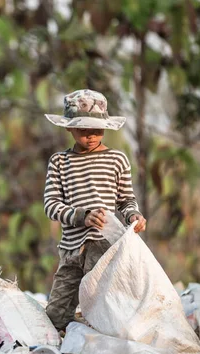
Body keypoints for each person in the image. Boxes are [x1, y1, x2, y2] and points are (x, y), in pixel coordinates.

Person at [43, 89, 147, 331]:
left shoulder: (117, 160)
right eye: (83, 130)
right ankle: (73, 353)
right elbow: (51, 205)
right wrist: (82, 216)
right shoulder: (60, 162)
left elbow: (126, 199)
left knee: (102, 308)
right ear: (69, 128)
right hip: (71, 248)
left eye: (96, 130)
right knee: (56, 314)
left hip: (104, 246)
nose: (90, 136)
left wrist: (134, 215)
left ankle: (104, 353)